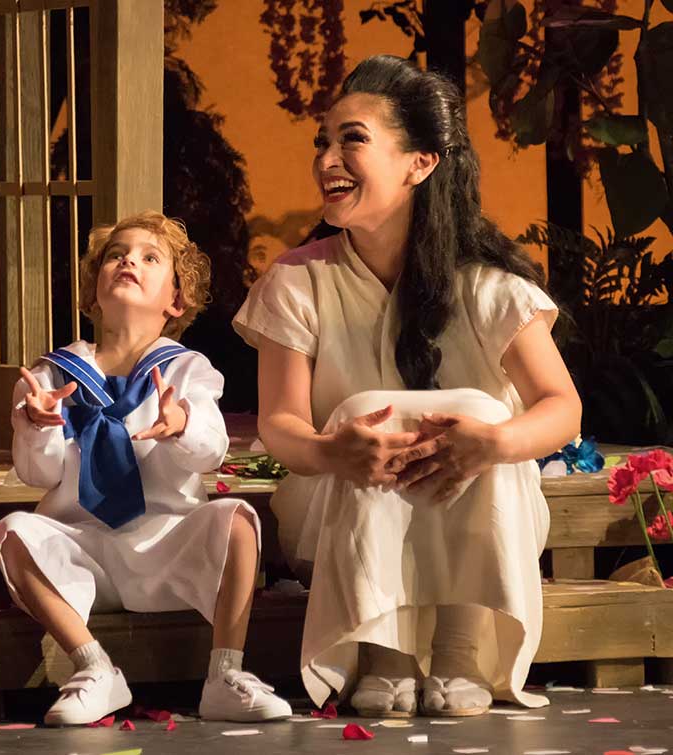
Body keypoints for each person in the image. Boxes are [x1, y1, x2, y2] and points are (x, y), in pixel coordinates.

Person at [233, 55, 582, 718]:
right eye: (323, 142)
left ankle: (458, 647)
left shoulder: (487, 284)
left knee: (481, 414)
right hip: (330, 510)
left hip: (486, 510)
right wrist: (335, 449)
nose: (327, 159)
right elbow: (280, 423)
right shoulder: (296, 282)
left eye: (352, 140)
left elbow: (562, 408)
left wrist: (493, 440)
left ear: (420, 162)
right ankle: (384, 649)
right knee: (366, 412)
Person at [0, 210, 291, 725]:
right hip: (81, 545)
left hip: (164, 544)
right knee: (12, 531)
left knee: (238, 519)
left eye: (150, 258)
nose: (129, 260)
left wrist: (181, 422)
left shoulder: (186, 369)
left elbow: (210, 452)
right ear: (93, 291)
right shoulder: (50, 375)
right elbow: (39, 476)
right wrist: (39, 423)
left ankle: (225, 674)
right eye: (117, 255)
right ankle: (93, 667)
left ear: (175, 300)